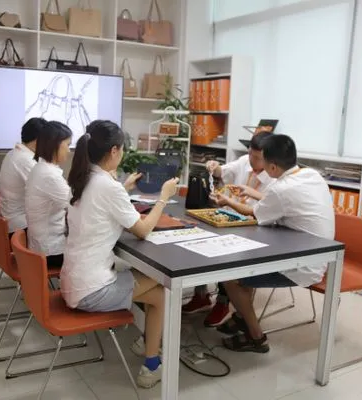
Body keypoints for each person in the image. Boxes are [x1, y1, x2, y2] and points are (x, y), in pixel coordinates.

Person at [62, 120, 179, 389]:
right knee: (163, 287)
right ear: (114, 150)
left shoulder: (83, 178)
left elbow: (102, 206)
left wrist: (122, 188)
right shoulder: (107, 186)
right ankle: (150, 364)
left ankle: (148, 346)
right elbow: (143, 230)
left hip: (75, 282)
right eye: (123, 149)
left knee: (155, 293)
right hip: (91, 291)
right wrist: (163, 197)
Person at [210, 134, 335, 353]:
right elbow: (283, 204)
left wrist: (227, 200)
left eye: (264, 163)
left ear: (273, 167)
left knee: (231, 277)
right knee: (245, 264)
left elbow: (254, 213)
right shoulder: (311, 174)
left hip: (301, 266)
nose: (260, 167)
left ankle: (256, 337)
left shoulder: (280, 189)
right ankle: (242, 317)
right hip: (317, 255)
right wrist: (253, 193)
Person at [182, 132, 275, 327]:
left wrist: (232, 201)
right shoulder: (244, 162)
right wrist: (214, 167)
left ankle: (223, 303)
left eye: (258, 158)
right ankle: (201, 295)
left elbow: (266, 208)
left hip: (254, 225)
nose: (253, 160)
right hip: (228, 218)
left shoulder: (274, 176)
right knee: (199, 244)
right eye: (251, 155)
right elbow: (222, 172)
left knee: (228, 255)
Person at [25, 121, 72, 269]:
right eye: (67, 145)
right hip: (50, 252)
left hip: (40, 246)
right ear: (55, 144)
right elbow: (76, 205)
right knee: (96, 254)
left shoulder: (40, 168)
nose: (69, 150)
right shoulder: (49, 175)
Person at [0, 118, 46, 235]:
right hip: (19, 226)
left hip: (8, 218)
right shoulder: (26, 160)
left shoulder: (12, 153)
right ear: (37, 141)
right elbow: (47, 192)